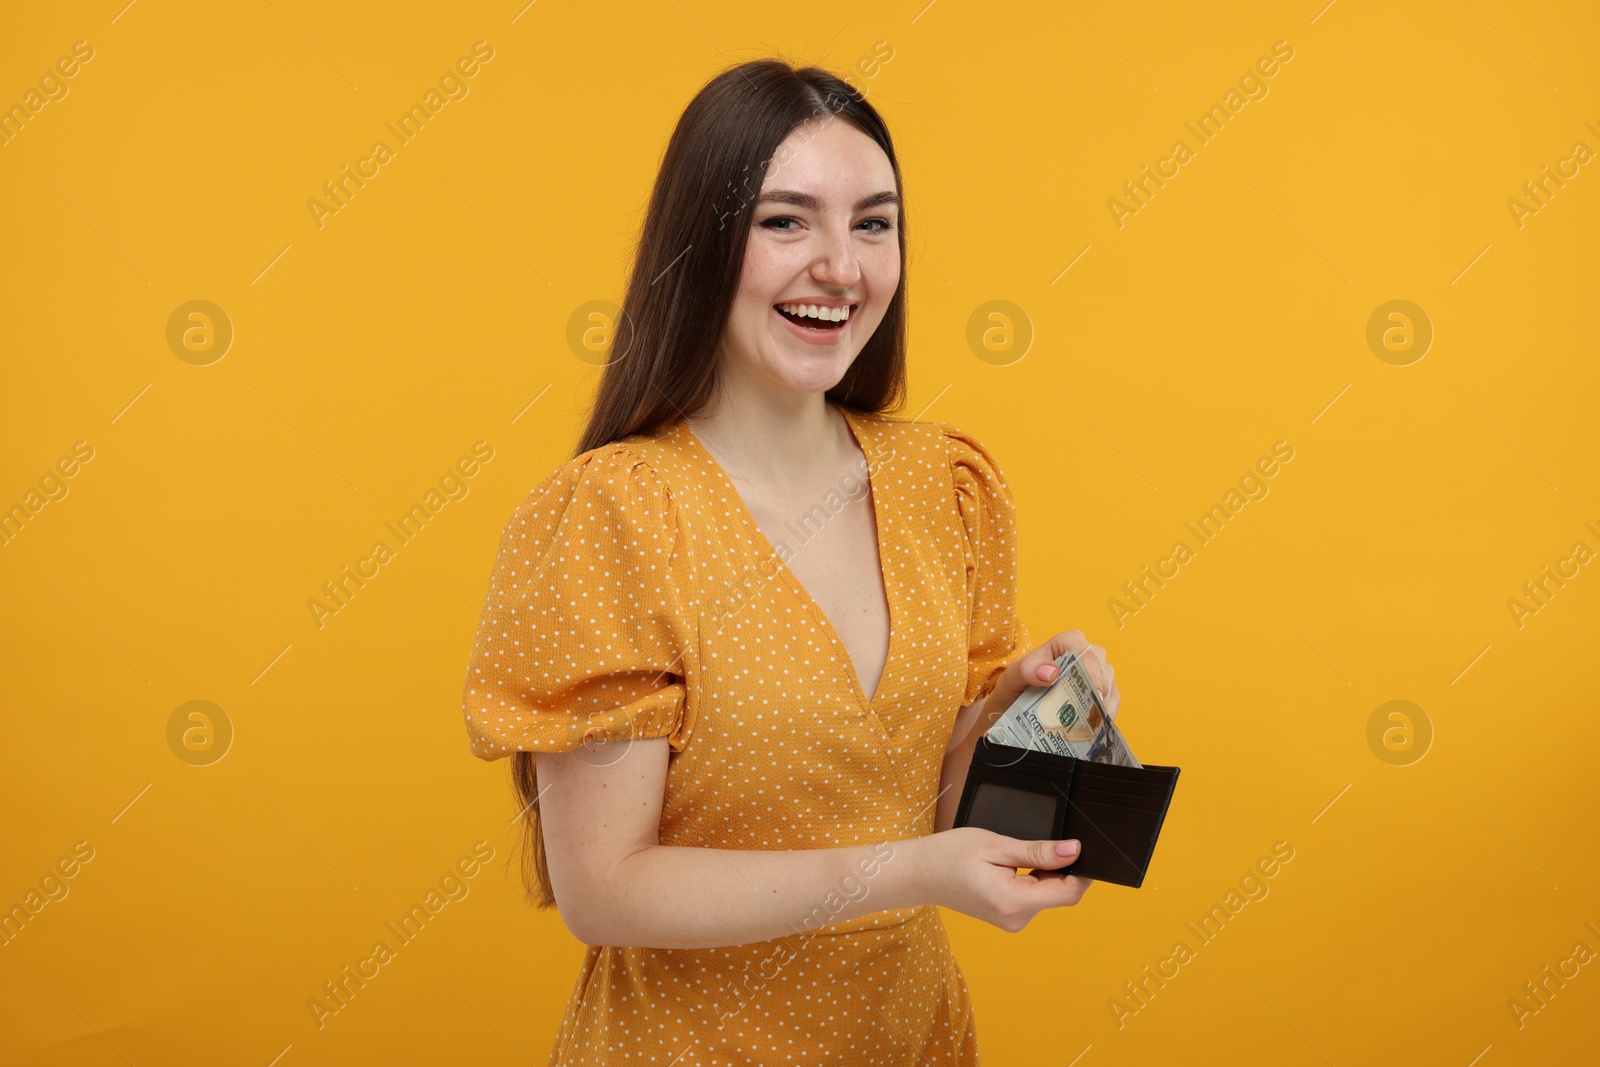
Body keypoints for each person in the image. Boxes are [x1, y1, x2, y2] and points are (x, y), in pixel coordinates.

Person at [460, 57, 1121, 1064]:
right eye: (785, 221)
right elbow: (604, 888)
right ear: (702, 243)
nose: (841, 268)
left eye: (872, 222)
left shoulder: (944, 486)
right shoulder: (615, 517)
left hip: (912, 1036)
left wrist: (1018, 721)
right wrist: (916, 870)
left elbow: (930, 807)